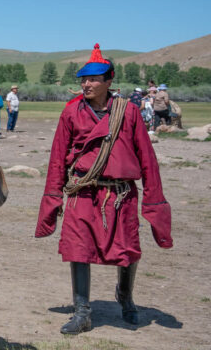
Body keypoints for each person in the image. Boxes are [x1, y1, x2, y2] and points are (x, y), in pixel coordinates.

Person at [35, 43, 172, 334]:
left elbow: (147, 159)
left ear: (109, 80)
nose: (86, 84)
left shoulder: (130, 112)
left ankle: (126, 297)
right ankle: (82, 311)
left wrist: (153, 201)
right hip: (83, 191)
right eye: (83, 79)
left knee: (127, 248)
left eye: (93, 79)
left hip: (120, 194)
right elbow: (58, 157)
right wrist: (53, 197)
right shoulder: (71, 113)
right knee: (78, 248)